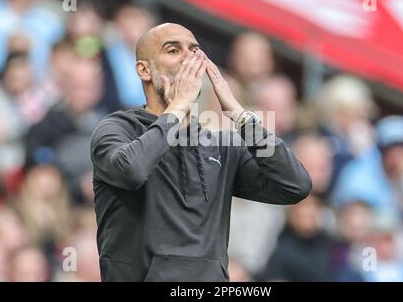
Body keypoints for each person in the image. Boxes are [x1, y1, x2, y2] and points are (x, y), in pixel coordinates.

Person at [90, 23, 312, 282]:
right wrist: (178, 107)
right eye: (173, 51)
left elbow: (295, 185)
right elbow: (132, 170)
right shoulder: (117, 128)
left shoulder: (221, 145)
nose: (187, 58)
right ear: (144, 69)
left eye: (194, 51)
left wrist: (240, 116)